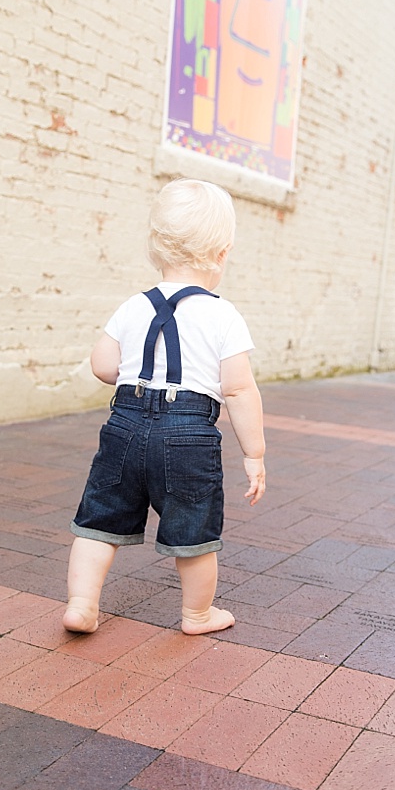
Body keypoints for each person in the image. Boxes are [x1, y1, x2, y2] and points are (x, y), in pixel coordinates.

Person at [64, 179, 266, 635]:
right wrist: (254, 454)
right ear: (222, 253)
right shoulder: (223, 315)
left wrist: (136, 376)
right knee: (194, 529)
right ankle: (197, 614)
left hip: (125, 426)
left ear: (156, 248)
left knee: (100, 517)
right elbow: (238, 390)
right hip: (188, 434)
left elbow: (102, 365)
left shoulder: (133, 306)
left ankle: (81, 603)